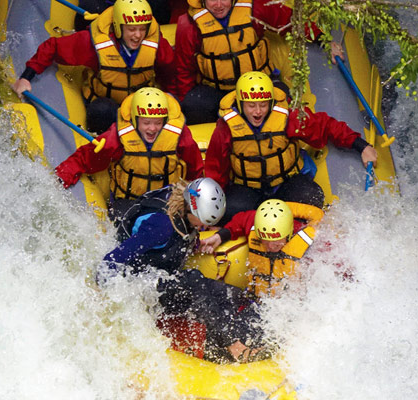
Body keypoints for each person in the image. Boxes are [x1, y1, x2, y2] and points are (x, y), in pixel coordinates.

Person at [98, 179, 262, 363]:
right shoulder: (161, 226)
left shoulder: (182, 208)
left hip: (158, 276)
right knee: (195, 282)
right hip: (140, 287)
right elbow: (111, 261)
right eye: (204, 222)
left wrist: (200, 242)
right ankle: (233, 347)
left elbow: (178, 240)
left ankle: (248, 338)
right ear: (192, 210)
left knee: (225, 293)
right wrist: (104, 298)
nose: (206, 227)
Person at [205, 71, 376, 221]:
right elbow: (215, 167)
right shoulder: (226, 128)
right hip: (248, 188)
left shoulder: (288, 118)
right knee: (229, 212)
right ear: (241, 104)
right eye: (251, 106)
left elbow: (325, 125)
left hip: (286, 182)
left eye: (263, 105)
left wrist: (361, 146)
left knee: (313, 197)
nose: (257, 112)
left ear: (271, 103)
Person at [13, 0, 178, 133]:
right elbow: (53, 47)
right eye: (131, 29)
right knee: (102, 110)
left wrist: (170, 96)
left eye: (142, 29)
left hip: (141, 106)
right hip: (106, 103)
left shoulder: (155, 44)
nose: (137, 36)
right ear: (118, 28)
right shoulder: (92, 44)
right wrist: (26, 77)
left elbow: (168, 69)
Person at [191, 199, 323, 361]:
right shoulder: (258, 224)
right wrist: (220, 236)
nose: (269, 246)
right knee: (210, 295)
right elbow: (240, 220)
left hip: (281, 313)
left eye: (276, 240)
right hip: (256, 302)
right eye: (264, 239)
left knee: (236, 331)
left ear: (288, 232)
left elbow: (319, 217)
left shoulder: (309, 243)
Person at [170, 0, 340, 124]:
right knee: (193, 105)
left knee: (283, 100)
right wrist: (185, 100)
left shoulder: (254, 8)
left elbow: (290, 20)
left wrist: (323, 40)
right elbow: (184, 69)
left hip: (258, 84)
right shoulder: (188, 25)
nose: (219, 4)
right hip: (218, 90)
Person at [54, 87, 205, 222]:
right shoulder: (117, 137)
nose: (152, 129)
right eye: (146, 123)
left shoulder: (180, 137)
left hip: (167, 200)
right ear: (135, 119)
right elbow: (86, 158)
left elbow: (196, 169)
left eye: (158, 122)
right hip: (128, 201)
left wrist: (198, 207)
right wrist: (61, 177)